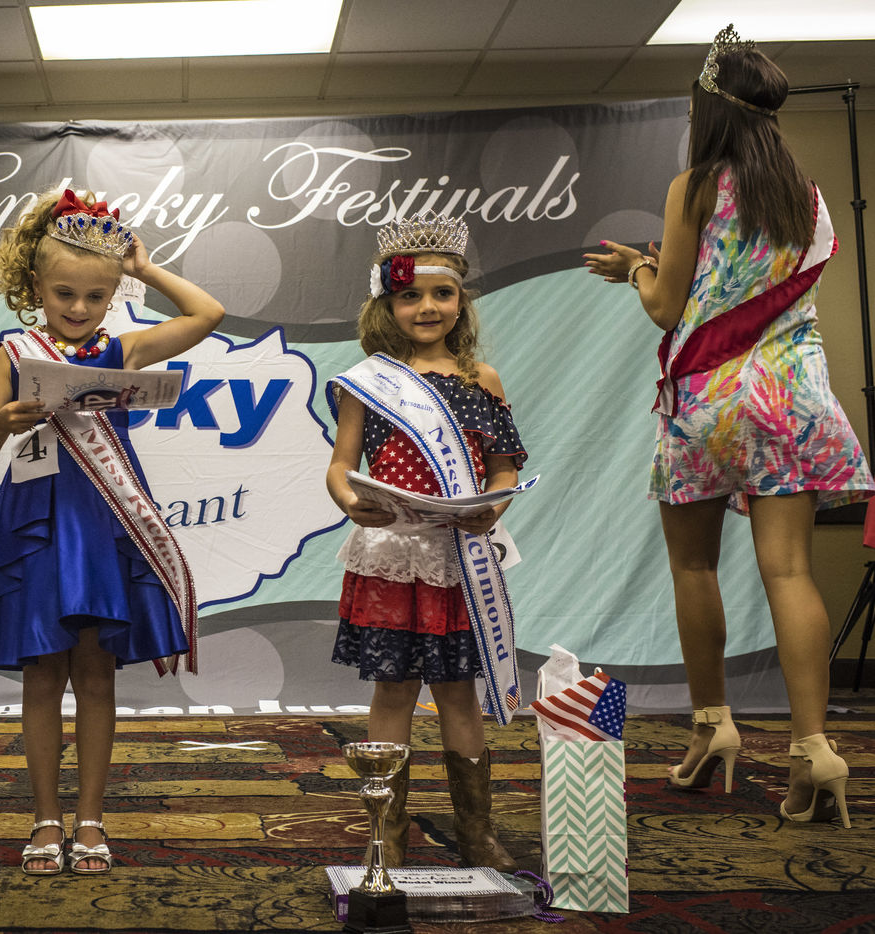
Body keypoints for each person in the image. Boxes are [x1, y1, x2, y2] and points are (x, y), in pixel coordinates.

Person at [584, 24, 871, 828]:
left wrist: (636, 267)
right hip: (790, 397)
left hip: (710, 400)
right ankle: (813, 747)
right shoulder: (805, 195)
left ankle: (712, 726)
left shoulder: (694, 187)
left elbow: (665, 307)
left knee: (693, 567)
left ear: (710, 110)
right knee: (790, 572)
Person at [0, 188, 224, 874]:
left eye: (96, 296)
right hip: (37, 523)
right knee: (42, 674)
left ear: (113, 294)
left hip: (104, 523)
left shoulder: (122, 347)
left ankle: (91, 820)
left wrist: (146, 269)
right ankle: (46, 819)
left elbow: (207, 315)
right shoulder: (16, 351)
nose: (78, 308)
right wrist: (1, 422)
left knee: (96, 674)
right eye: (64, 293)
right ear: (33, 285)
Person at [325, 213, 526, 870]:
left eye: (442, 293)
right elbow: (340, 465)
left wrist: (492, 507)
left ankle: (476, 832)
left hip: (455, 559)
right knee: (392, 689)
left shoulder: (481, 379)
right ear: (386, 303)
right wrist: (350, 501)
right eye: (410, 295)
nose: (427, 307)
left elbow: (504, 467)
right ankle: (386, 830)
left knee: (458, 691)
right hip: (391, 557)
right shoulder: (367, 381)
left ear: (461, 301)